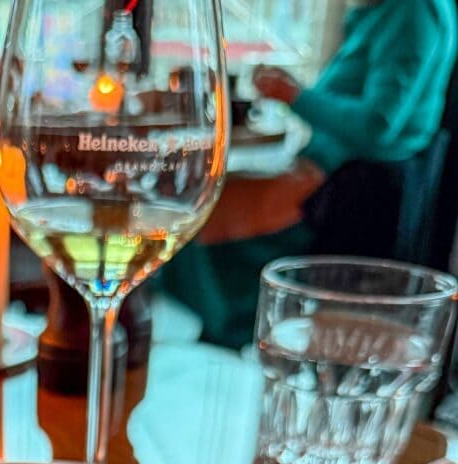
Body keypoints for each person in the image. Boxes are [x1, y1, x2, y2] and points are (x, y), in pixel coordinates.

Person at [160, 0, 458, 349]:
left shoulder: (413, 11)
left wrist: (294, 95)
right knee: (191, 205)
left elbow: (378, 126)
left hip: (356, 194)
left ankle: (231, 335)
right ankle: (224, 337)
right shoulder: (386, 12)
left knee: (194, 215)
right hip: (329, 175)